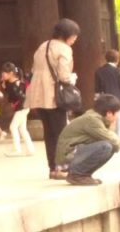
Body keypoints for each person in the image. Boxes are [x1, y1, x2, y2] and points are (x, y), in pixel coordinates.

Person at [25, 18, 79, 180]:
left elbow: (35, 69)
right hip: (54, 96)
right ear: (68, 35)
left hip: (38, 95)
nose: (75, 39)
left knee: (49, 133)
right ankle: (62, 168)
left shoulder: (43, 46)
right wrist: (72, 78)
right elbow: (64, 75)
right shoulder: (64, 49)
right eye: (75, 36)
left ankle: (53, 168)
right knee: (62, 132)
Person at [55, 94, 120, 186]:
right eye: (117, 114)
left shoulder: (96, 118)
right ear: (109, 113)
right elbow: (113, 140)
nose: (117, 117)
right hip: (68, 155)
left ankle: (84, 175)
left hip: (73, 152)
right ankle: (77, 175)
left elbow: (112, 139)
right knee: (106, 146)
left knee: (110, 147)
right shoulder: (92, 120)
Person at [0, 62, 34, 156]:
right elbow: (10, 96)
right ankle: (30, 149)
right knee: (22, 129)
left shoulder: (19, 83)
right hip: (20, 108)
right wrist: (4, 86)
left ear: (11, 73)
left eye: (4, 73)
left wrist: (16, 89)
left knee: (13, 127)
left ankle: (17, 150)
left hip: (23, 107)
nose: (3, 74)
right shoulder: (7, 83)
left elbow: (21, 96)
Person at [95, 49, 120, 134]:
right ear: (117, 59)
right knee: (117, 119)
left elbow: (97, 88)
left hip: (105, 98)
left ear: (106, 59)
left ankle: (107, 136)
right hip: (117, 98)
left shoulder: (99, 71)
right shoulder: (118, 71)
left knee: (106, 119)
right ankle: (117, 137)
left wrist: (97, 99)